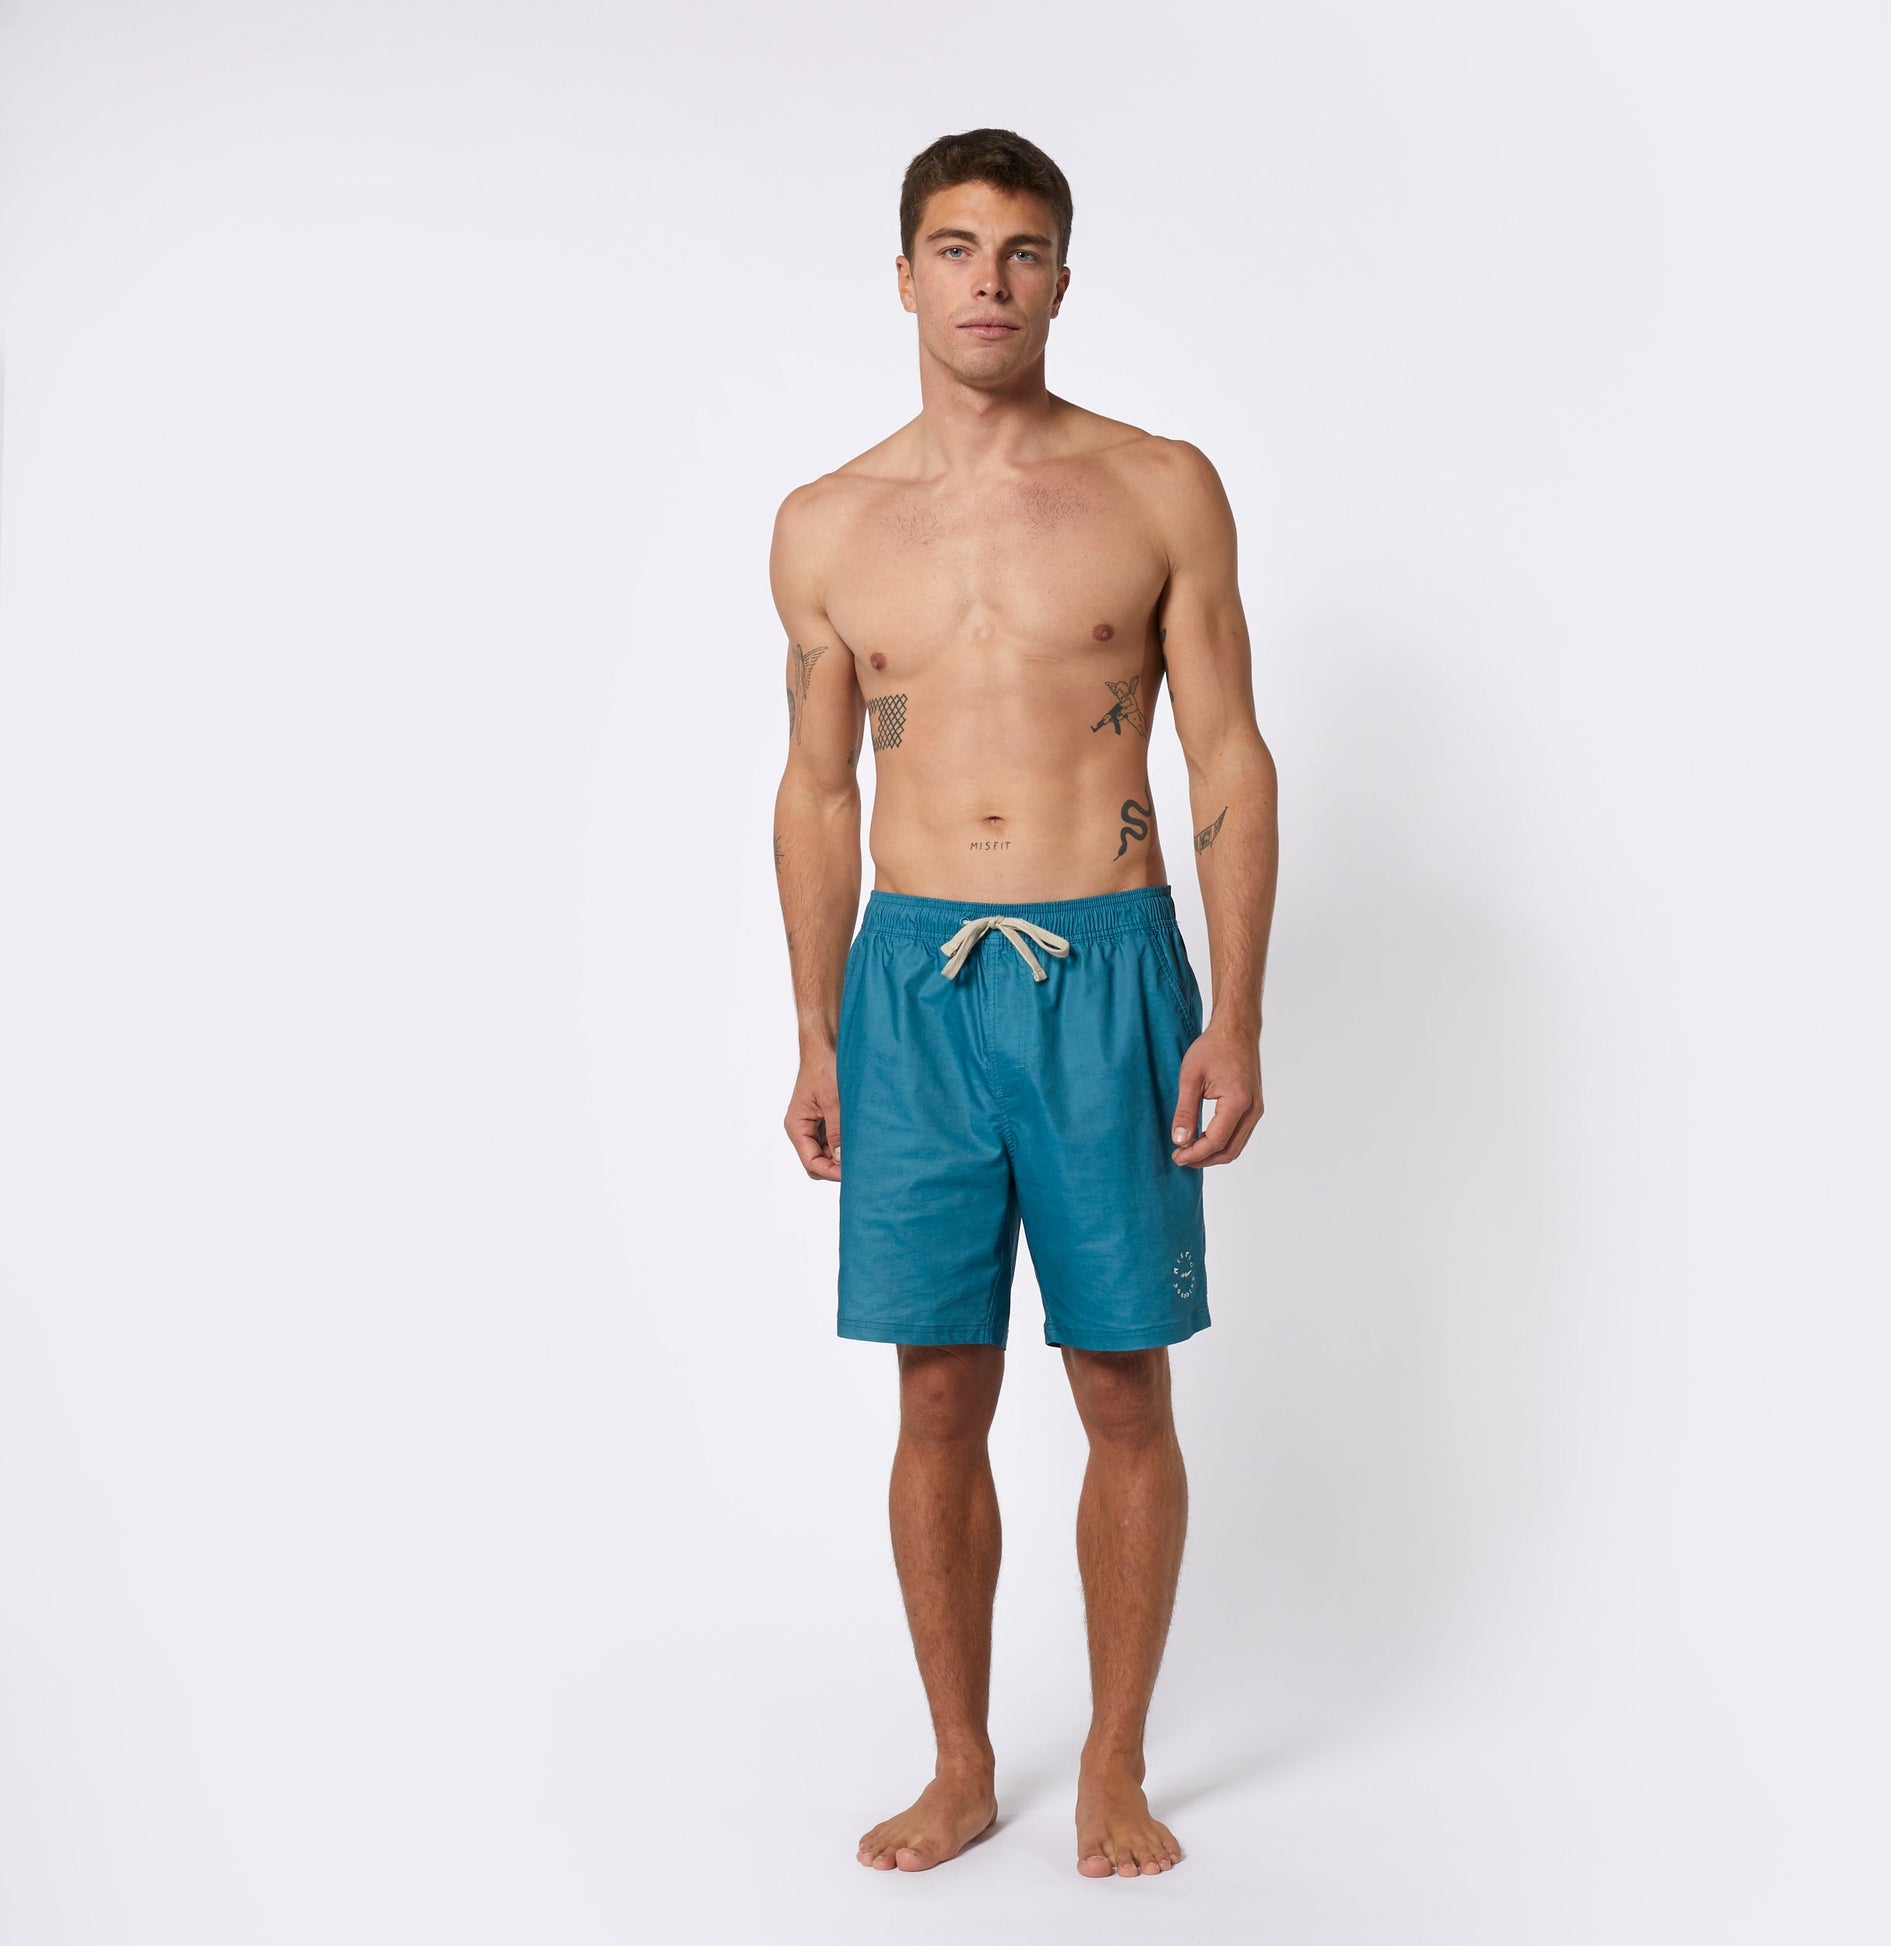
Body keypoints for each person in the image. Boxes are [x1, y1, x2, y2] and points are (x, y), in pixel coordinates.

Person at [770, 127, 1277, 1881]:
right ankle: (963, 1761)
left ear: (1062, 277)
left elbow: (1226, 752)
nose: (988, 280)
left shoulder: (1156, 487)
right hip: (910, 985)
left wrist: (1235, 1011)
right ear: (903, 275)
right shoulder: (826, 523)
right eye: (955, 247)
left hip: (1107, 965)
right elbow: (816, 789)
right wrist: (816, 1026)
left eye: (1022, 250)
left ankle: (1115, 1762)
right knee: (934, 1394)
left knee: (1121, 1386)